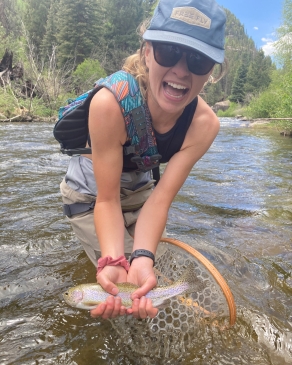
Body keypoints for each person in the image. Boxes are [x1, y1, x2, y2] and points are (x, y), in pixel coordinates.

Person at [60, 0, 226, 320]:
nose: (180, 69)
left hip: (140, 190)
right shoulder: (110, 104)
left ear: (211, 72)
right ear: (147, 51)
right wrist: (114, 261)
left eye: (198, 59)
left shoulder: (204, 126)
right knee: (119, 278)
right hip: (90, 194)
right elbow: (106, 200)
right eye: (167, 50)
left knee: (153, 271)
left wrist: (143, 257)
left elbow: (160, 200)